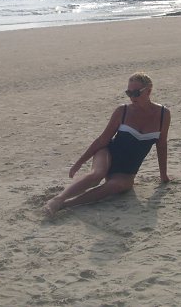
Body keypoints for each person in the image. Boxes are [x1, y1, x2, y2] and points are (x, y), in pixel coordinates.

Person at [45, 72, 171, 215]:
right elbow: (102, 140)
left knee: (118, 186)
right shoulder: (122, 111)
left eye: (136, 93)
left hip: (127, 170)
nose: (132, 97)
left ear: (148, 91)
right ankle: (58, 199)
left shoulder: (163, 114)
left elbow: (161, 145)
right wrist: (79, 162)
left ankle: (66, 204)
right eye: (129, 93)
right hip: (108, 153)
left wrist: (164, 176)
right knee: (97, 174)